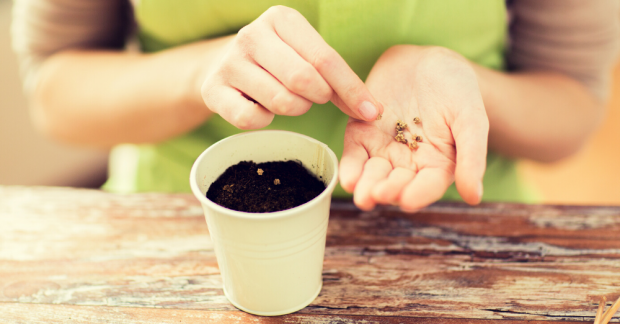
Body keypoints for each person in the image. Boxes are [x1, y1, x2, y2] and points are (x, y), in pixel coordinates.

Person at [11, 0, 620, 212]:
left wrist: (464, 84)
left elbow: (570, 104)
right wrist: (199, 70)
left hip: (456, 233)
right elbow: (56, 92)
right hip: (182, 230)